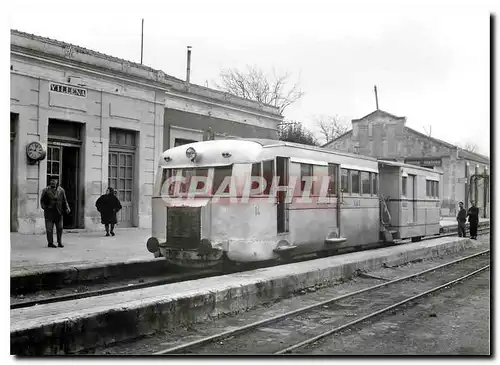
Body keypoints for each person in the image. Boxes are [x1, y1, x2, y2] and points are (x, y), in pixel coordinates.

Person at [40, 177, 70, 248]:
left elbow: (64, 200)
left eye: (54, 180)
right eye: (51, 180)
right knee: (49, 229)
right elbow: (42, 201)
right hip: (49, 212)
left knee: (60, 228)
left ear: (57, 181)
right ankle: (50, 243)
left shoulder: (61, 190)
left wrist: (67, 207)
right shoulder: (45, 190)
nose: (52, 182)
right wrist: (44, 207)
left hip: (59, 212)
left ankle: (59, 242)